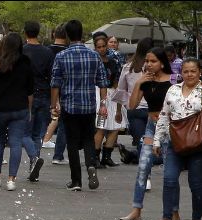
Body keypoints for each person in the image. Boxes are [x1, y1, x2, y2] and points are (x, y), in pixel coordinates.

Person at [50, 20, 109, 192]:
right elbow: (103, 82)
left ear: (67, 36)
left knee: (72, 142)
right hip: (89, 105)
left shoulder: (61, 56)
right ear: (82, 34)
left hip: (69, 105)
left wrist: (53, 105)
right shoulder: (94, 55)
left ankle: (76, 180)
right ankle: (91, 164)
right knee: (88, 138)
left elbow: (55, 83)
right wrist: (103, 103)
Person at [119, 47, 174, 220]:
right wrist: (138, 83)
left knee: (170, 173)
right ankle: (136, 210)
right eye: (147, 61)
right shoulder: (146, 81)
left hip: (169, 128)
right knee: (143, 167)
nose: (149, 64)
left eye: (153, 61)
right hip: (151, 127)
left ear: (162, 63)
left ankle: (174, 211)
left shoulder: (173, 82)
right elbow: (132, 105)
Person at [150, 58, 202, 220]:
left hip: (197, 145)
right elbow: (164, 115)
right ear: (181, 73)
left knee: (196, 184)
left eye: (193, 71)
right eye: (186, 71)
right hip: (175, 142)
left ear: (199, 72)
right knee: (169, 179)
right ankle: (166, 219)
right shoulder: (173, 90)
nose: (189, 74)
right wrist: (157, 140)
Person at [0, 33, 34, 191]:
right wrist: (29, 109)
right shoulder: (26, 62)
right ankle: (11, 180)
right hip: (20, 108)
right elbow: (30, 89)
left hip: (1, 109)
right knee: (16, 143)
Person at [21, 20, 54, 182]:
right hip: (44, 93)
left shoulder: (22, 51)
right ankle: (34, 166)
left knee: (23, 132)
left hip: (26, 94)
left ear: (25, 32)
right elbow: (51, 75)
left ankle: (33, 158)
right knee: (37, 134)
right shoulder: (47, 52)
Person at [115, 38, 154, 153]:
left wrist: (118, 111)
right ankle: (134, 156)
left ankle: (132, 155)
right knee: (153, 144)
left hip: (134, 108)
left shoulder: (128, 67)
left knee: (141, 144)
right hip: (153, 108)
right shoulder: (156, 67)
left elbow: (121, 90)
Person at [92, 36, 125, 168]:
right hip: (98, 92)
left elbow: (117, 79)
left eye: (103, 46)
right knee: (101, 126)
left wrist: (119, 96)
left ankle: (107, 156)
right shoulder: (93, 60)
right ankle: (95, 157)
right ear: (95, 47)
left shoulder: (113, 61)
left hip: (112, 92)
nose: (101, 49)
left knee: (116, 126)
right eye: (98, 47)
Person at [49, 24, 69, 165]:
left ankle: (34, 156)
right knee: (63, 124)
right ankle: (58, 154)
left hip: (44, 91)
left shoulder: (46, 51)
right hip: (65, 91)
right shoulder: (68, 53)